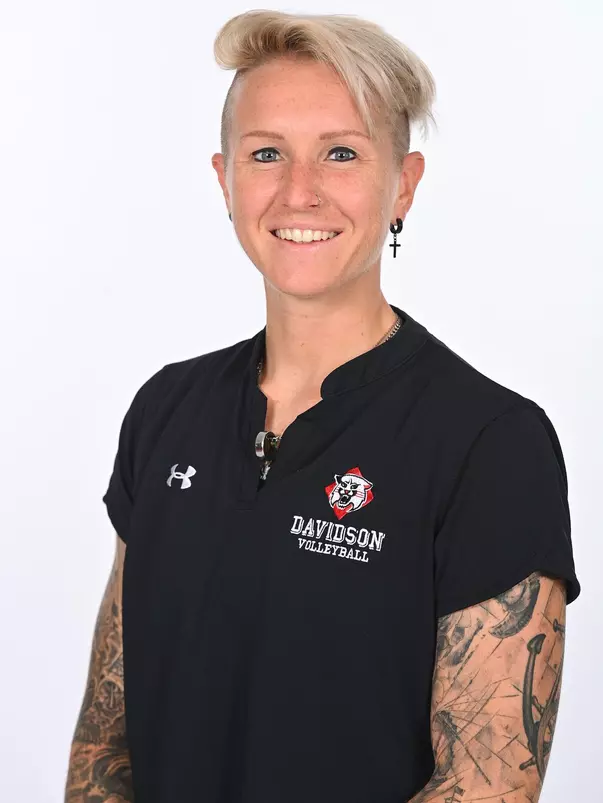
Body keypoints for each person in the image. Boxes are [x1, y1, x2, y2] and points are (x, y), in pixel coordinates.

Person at [65, 10, 581, 803]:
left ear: (401, 184)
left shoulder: (488, 443)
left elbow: (484, 788)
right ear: (224, 179)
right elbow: (107, 738)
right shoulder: (167, 410)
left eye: (341, 153)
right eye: (266, 153)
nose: (298, 190)